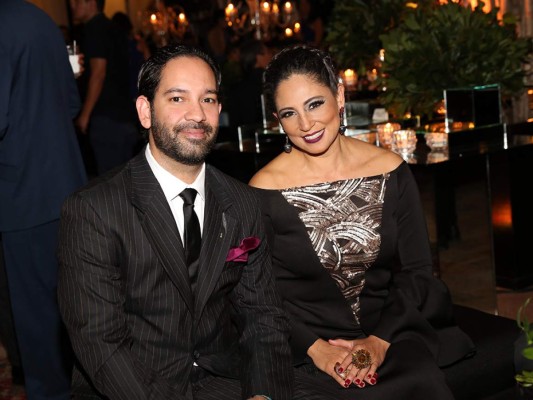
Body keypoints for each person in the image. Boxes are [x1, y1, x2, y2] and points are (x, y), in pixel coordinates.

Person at [56, 44, 295, 399]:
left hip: (223, 380)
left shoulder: (243, 202)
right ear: (145, 111)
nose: (197, 114)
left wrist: (262, 393)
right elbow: (100, 343)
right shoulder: (93, 210)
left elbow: (263, 317)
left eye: (208, 99)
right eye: (178, 98)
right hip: (128, 387)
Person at [249, 45, 475, 398]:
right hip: (303, 346)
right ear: (277, 119)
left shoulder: (391, 171)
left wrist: (378, 341)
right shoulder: (262, 190)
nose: (305, 125)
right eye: (290, 113)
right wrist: (316, 349)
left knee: (420, 384)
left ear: (339, 95)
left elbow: (417, 271)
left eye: (314, 104)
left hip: (390, 332)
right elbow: (257, 291)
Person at [0, 0, 88, 398]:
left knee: (35, 318)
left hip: (22, 193)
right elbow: (71, 102)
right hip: (66, 181)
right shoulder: (41, 19)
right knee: (72, 305)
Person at [70, 0, 140, 176]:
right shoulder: (113, 28)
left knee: (111, 182)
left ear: (92, 3)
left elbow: (99, 73)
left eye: (77, 1)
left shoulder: (94, 28)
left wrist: (85, 115)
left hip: (106, 117)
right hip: (125, 116)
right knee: (126, 180)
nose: (72, 5)